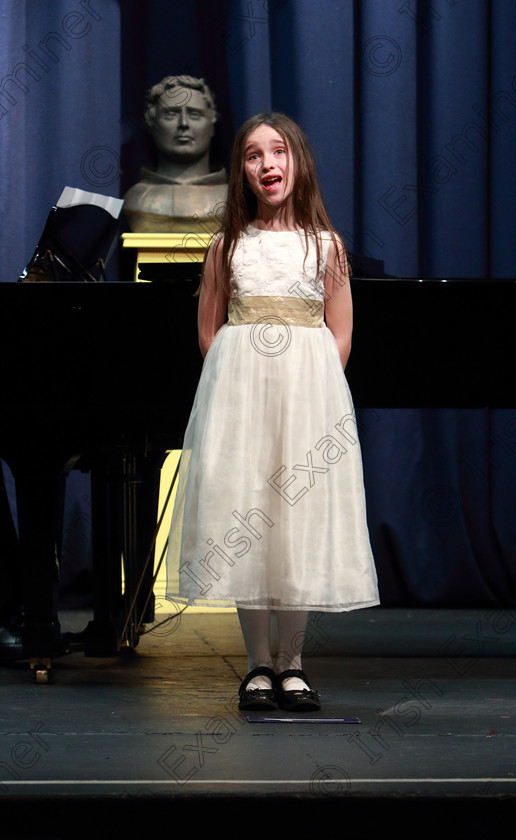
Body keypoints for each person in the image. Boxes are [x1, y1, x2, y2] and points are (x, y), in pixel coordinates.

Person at [165, 112, 379, 712]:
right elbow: (210, 332)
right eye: (254, 156)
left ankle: (293, 663)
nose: (267, 165)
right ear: (242, 172)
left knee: (296, 524)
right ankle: (258, 663)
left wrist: (309, 390)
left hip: (305, 406)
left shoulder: (325, 246)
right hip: (242, 406)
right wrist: (240, 390)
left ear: (297, 162)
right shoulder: (227, 246)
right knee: (246, 519)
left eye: (277, 152)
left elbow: (341, 334)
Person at [123, 75, 227, 232]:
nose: (183, 123)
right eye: (171, 114)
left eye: (194, 115)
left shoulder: (234, 201)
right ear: (152, 124)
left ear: (212, 125)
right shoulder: (135, 199)